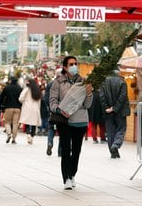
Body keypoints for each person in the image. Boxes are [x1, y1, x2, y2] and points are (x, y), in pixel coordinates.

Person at [49, 56, 93, 190]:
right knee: (66, 150)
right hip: (65, 120)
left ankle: (73, 173)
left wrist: (90, 94)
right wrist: (59, 110)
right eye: (71, 64)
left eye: (75, 64)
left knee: (77, 150)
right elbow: (52, 101)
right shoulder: (58, 82)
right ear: (65, 67)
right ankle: (66, 178)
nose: (74, 66)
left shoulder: (84, 82)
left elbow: (87, 105)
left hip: (80, 120)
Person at [99, 70, 131, 159]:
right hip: (120, 111)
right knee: (121, 129)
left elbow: (101, 96)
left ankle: (113, 152)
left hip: (108, 112)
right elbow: (122, 97)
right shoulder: (122, 82)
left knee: (110, 132)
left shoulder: (103, 82)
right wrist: (115, 108)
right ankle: (116, 145)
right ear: (118, 73)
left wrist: (107, 108)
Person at [44, 68, 62, 156]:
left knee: (51, 128)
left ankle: (50, 142)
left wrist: (49, 107)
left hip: (52, 110)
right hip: (62, 111)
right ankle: (60, 151)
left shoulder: (50, 84)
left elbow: (46, 98)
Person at [18, 78, 42, 144]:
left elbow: (21, 98)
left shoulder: (27, 89)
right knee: (34, 123)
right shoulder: (38, 90)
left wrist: (24, 102)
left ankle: (28, 134)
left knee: (27, 123)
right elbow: (39, 101)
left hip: (27, 107)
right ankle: (32, 136)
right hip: (35, 108)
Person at [0, 77, 22, 144]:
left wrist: (1, 105)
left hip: (8, 107)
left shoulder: (7, 88)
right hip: (18, 108)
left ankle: (9, 134)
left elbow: (2, 97)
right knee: (15, 123)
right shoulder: (19, 88)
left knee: (7, 122)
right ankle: (14, 139)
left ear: (10, 81)